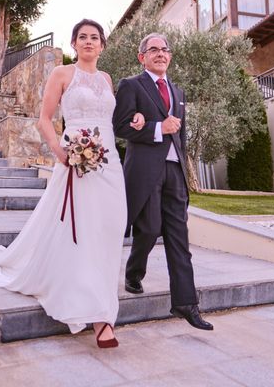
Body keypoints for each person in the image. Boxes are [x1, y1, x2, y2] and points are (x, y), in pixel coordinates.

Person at [0, 19, 145, 348]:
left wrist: (136, 119)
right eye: (82, 37)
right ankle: (100, 315)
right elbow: (44, 118)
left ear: (103, 45)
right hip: (75, 159)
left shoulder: (108, 79)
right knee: (79, 227)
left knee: (109, 227)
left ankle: (100, 293)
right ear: (74, 44)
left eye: (95, 38)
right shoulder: (62, 74)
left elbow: (114, 120)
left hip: (108, 160)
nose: (89, 42)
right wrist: (61, 152)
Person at [112, 32, 214, 331]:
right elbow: (119, 126)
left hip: (175, 172)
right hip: (144, 171)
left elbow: (180, 136)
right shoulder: (131, 85)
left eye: (165, 49)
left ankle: (186, 303)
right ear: (141, 56)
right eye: (153, 49)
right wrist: (157, 127)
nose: (160, 53)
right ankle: (134, 272)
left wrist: (184, 168)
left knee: (179, 238)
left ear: (170, 56)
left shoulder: (178, 91)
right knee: (149, 228)